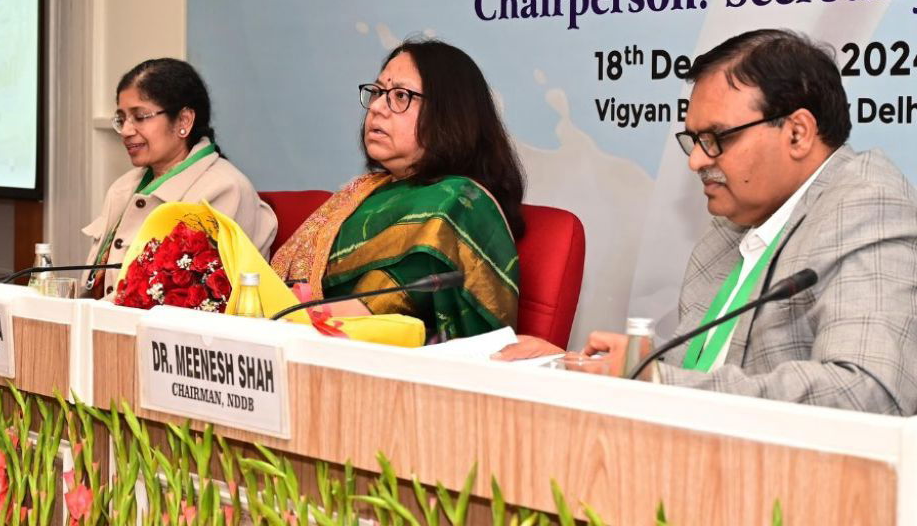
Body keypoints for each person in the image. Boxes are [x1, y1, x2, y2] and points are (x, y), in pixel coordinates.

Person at [499, 29, 917, 416]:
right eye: (694, 140)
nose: (697, 160)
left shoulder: (867, 207)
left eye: (718, 138)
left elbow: (868, 391)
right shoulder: (733, 222)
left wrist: (657, 381)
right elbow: (705, 367)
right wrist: (570, 364)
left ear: (797, 133)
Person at [270, 39, 525, 341]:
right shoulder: (364, 192)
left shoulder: (454, 204)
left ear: (450, 112)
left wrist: (268, 318)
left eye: (400, 96)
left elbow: (365, 316)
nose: (377, 107)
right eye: (377, 92)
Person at [85, 58, 276, 295]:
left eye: (140, 116)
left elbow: (192, 296)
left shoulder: (225, 190)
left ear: (184, 120)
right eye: (122, 119)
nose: (126, 131)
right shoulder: (123, 187)